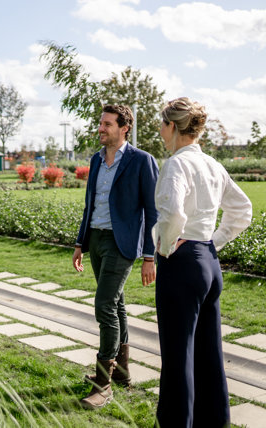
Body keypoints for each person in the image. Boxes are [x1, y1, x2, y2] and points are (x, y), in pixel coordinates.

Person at [153, 98, 252, 427]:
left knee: (178, 355)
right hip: (209, 263)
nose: (159, 130)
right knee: (210, 353)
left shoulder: (177, 165)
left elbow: (173, 213)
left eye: (161, 124)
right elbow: (242, 210)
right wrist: (214, 241)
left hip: (182, 264)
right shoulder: (213, 164)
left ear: (172, 127)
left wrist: (166, 246)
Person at [73, 104, 159, 410]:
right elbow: (90, 203)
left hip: (122, 244)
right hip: (95, 238)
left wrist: (149, 256)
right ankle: (121, 373)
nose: (100, 128)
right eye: (100, 123)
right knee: (117, 304)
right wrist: (80, 242)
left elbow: (153, 210)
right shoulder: (97, 159)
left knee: (104, 304)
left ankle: (103, 384)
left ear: (124, 128)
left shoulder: (141, 161)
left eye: (107, 124)